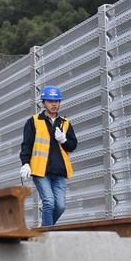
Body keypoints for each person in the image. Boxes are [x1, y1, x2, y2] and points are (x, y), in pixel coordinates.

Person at [20, 85, 78, 226]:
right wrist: (25, 163)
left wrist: (64, 141)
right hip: (41, 171)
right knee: (49, 203)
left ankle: (45, 226)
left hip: (59, 171)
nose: (54, 104)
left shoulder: (65, 124)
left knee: (60, 206)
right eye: (51, 101)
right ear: (44, 102)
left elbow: (73, 145)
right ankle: (48, 234)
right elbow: (26, 144)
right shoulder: (33, 122)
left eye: (57, 101)